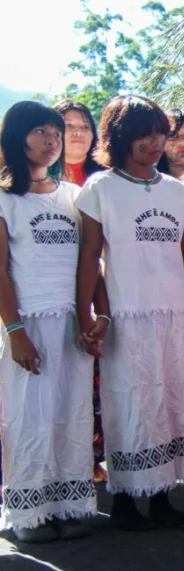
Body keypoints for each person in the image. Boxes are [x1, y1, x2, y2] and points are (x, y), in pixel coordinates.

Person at [75, 95, 184, 531]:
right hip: (126, 314)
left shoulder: (175, 190)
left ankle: (162, 493)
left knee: (170, 400)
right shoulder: (100, 188)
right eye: (144, 135)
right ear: (120, 138)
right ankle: (126, 500)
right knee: (131, 403)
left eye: (159, 133)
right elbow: (90, 257)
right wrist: (88, 316)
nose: (154, 143)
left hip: (173, 311)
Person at [0, 101, 95, 542]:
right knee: (29, 418)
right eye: (40, 131)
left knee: (70, 415)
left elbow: (90, 265)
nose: (52, 139)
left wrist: (93, 316)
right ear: (17, 137)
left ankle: (68, 504)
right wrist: (15, 331)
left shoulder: (73, 197)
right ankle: (28, 514)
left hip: (72, 325)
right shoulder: (4, 198)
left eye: (55, 132)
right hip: (28, 324)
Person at [53, 99, 108, 484]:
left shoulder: (104, 180)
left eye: (84, 125)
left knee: (93, 378)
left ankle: (89, 460)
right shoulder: (31, 182)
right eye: (67, 125)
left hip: (100, 291)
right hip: (49, 293)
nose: (77, 133)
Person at [52, 100, 104, 187]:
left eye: (85, 126)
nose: (78, 132)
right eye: (69, 125)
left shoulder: (108, 176)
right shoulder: (36, 175)